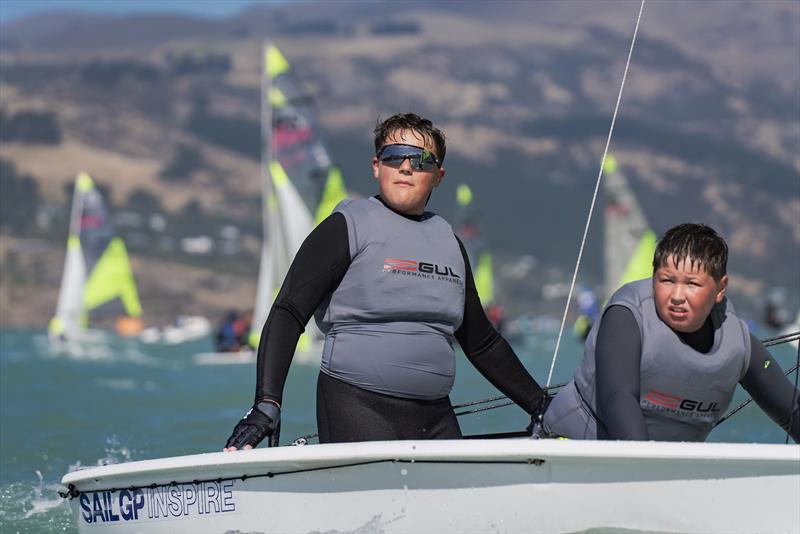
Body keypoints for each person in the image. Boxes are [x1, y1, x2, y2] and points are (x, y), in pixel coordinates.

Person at [225, 113, 548, 449]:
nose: (406, 167)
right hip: (356, 405)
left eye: (421, 160)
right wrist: (267, 405)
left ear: (439, 175)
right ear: (377, 166)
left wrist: (540, 405)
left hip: (435, 416)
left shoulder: (449, 243)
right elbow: (289, 310)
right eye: (395, 156)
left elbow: (482, 343)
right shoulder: (346, 227)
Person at [543, 223, 799, 442]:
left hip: (664, 476)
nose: (677, 296)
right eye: (666, 280)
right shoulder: (627, 316)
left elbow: (792, 411)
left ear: (721, 289)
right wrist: (649, 476)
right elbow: (618, 399)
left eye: (692, 284)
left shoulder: (737, 343)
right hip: (568, 452)